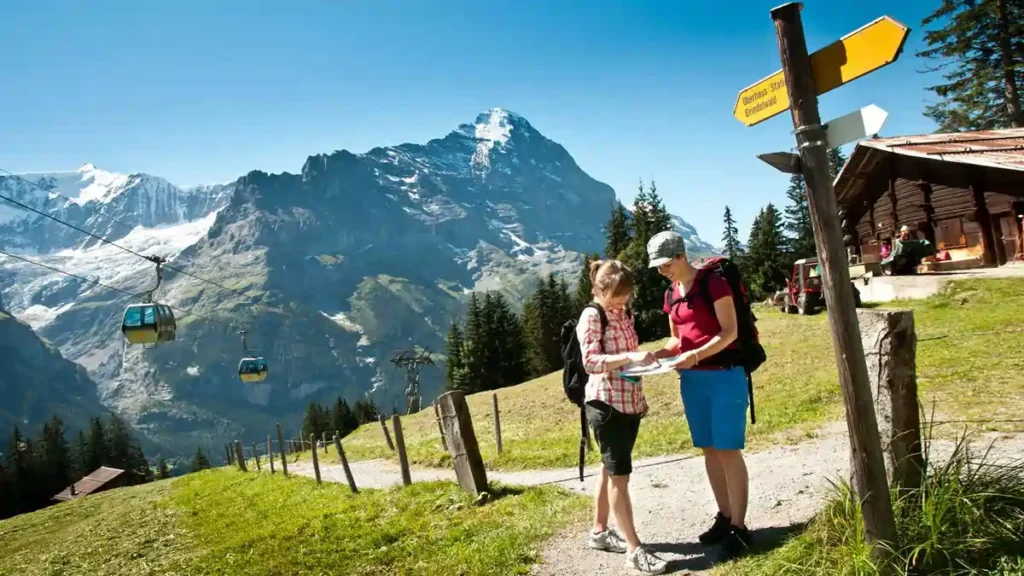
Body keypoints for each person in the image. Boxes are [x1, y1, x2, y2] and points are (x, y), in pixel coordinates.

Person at [647, 230, 753, 561]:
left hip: (724, 376)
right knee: (708, 449)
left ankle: (740, 527)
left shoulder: (713, 284)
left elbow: (729, 332)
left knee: (728, 450)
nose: (661, 270)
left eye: (665, 264)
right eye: (658, 266)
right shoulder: (671, 293)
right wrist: (658, 355)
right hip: (692, 382)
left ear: (681, 256)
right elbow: (676, 339)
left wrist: (695, 356)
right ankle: (723, 517)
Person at [577, 259, 668, 575]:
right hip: (606, 405)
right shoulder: (592, 315)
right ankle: (634, 549)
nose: (622, 301)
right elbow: (590, 361)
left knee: (608, 467)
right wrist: (630, 357)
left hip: (628, 401)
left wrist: (645, 361)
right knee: (619, 476)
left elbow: (626, 355)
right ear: (599, 290)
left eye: (626, 295)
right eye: (616, 295)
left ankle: (600, 532)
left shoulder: (624, 312)